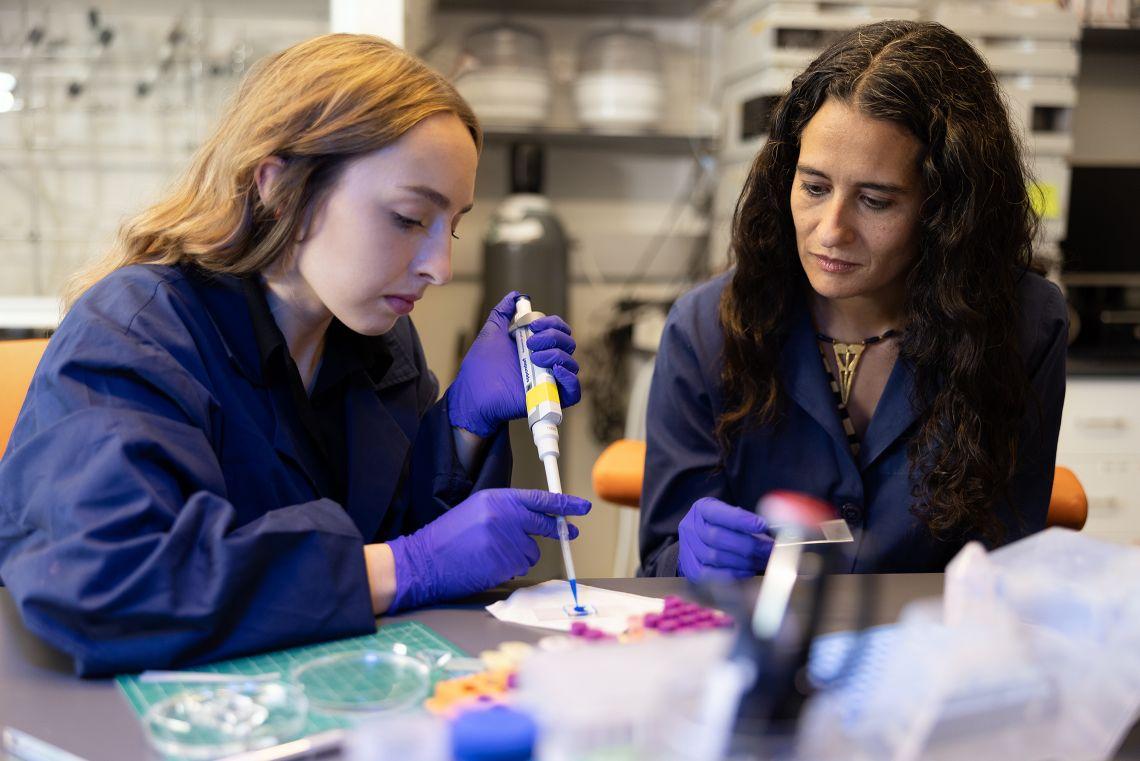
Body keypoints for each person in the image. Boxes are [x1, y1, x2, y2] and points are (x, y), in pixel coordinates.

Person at [0, 34, 588, 677]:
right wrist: (405, 566)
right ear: (282, 188)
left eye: (453, 225)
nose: (440, 267)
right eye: (408, 217)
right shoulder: (135, 331)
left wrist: (463, 428)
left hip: (330, 689)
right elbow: (103, 582)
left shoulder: (377, 341)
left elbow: (402, 524)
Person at [639, 20, 1067, 580]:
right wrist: (687, 560)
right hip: (758, 648)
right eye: (814, 188)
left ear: (947, 212)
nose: (831, 230)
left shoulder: (1024, 327)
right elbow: (656, 566)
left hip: (927, 656)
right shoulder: (706, 329)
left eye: (876, 200)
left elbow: (1007, 573)